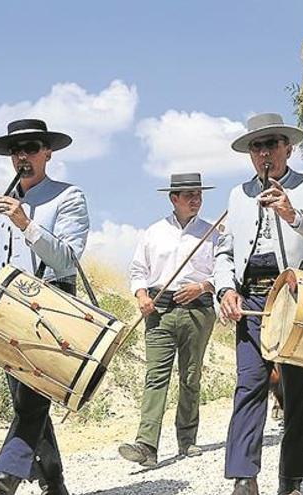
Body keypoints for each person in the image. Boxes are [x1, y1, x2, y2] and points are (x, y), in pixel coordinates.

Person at [216, 113, 303, 495]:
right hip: (251, 295)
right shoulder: (237, 195)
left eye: (271, 144)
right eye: (257, 146)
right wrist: (225, 290)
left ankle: (291, 479)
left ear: (288, 148)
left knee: (298, 390)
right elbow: (224, 251)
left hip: (297, 296)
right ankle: (243, 476)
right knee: (249, 385)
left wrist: (293, 215)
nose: (264, 153)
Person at [0, 119, 89, 495]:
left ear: (47, 153)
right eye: (16, 151)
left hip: (50, 307)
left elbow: (67, 259)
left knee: (32, 401)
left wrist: (25, 221)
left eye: (31, 148)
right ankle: (55, 483)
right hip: (6, 307)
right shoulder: (1, 200)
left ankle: (3, 484)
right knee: (25, 398)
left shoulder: (69, 197)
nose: (23, 156)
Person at [118, 173, 218, 467]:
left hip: (198, 309)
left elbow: (224, 271)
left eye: (199, 194)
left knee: (190, 375)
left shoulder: (212, 232)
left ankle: (187, 440)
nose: (196, 200)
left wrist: (202, 286)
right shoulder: (152, 232)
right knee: (155, 376)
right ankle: (147, 445)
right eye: (189, 195)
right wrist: (140, 296)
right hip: (159, 310)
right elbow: (138, 270)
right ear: (173, 198)